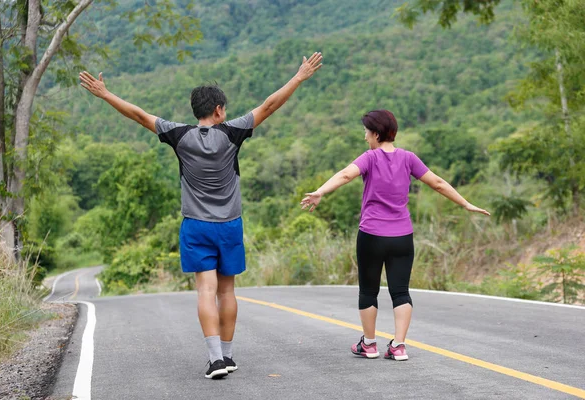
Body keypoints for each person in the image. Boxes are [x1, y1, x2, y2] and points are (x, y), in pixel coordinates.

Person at [79, 52, 323, 379]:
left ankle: (215, 360)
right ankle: (228, 355)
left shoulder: (179, 135)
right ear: (219, 110)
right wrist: (299, 76)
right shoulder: (232, 133)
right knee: (227, 292)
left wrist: (105, 93)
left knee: (205, 291)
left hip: (195, 227)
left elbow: (139, 115)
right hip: (230, 226)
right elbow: (269, 105)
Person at [300, 109, 489, 361]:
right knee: (401, 291)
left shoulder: (370, 158)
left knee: (368, 290)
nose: (365, 137)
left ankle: (369, 344)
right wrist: (465, 204)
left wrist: (320, 191)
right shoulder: (408, 158)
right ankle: (398, 346)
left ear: (376, 134)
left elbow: (346, 174)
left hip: (372, 235)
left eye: (367, 132)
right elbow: (438, 183)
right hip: (402, 237)